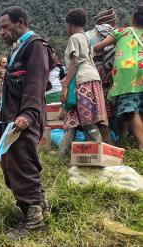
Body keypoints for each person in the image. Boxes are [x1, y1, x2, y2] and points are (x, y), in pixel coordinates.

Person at [0, 6, 55, 238]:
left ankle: (34, 222)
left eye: (5, 27)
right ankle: (40, 207)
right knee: (12, 163)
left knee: (23, 163)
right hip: (11, 118)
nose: (1, 32)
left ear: (21, 22)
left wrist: (28, 114)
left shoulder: (35, 47)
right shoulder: (17, 50)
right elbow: (11, 88)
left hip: (24, 118)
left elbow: (35, 83)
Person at [59, 8, 108, 157]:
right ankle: (64, 153)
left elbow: (74, 63)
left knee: (88, 120)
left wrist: (65, 85)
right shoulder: (87, 38)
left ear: (70, 24)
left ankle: (97, 154)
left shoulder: (74, 38)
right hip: (92, 79)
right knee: (73, 117)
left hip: (83, 80)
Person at [94, 5, 143, 148]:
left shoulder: (123, 31)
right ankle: (138, 144)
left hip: (128, 73)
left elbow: (99, 46)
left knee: (130, 109)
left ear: (133, 19)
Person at [86, 7, 117, 144]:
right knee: (112, 106)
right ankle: (117, 140)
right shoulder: (115, 33)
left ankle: (101, 140)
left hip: (93, 74)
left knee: (98, 107)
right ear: (112, 21)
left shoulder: (87, 34)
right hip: (112, 75)